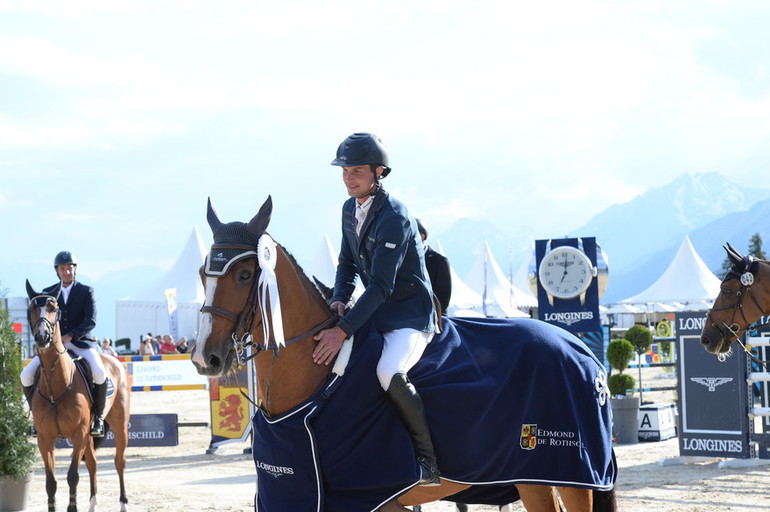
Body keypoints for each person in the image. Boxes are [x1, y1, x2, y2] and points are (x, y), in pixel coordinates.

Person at [312, 132, 441, 486]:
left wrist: (341, 331)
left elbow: (381, 286)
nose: (348, 178)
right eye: (344, 170)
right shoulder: (349, 208)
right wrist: (339, 297)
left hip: (410, 316)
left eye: (356, 171)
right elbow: (347, 263)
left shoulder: (395, 216)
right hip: (377, 313)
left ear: (378, 172)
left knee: (388, 371)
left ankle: (428, 462)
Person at [20, 251, 109, 437]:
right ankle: (36, 418)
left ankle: (98, 418)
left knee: (100, 373)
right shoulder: (48, 293)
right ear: (57, 271)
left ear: (75, 269)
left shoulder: (86, 291)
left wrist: (71, 336)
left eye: (70, 268)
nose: (67, 271)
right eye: (63, 268)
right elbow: (40, 318)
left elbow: (91, 321)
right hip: (54, 346)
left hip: (81, 343)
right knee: (26, 376)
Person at [416, 219, 452, 316]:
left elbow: (443, 296)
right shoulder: (401, 259)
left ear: (422, 236)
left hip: (432, 318)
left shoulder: (440, 261)